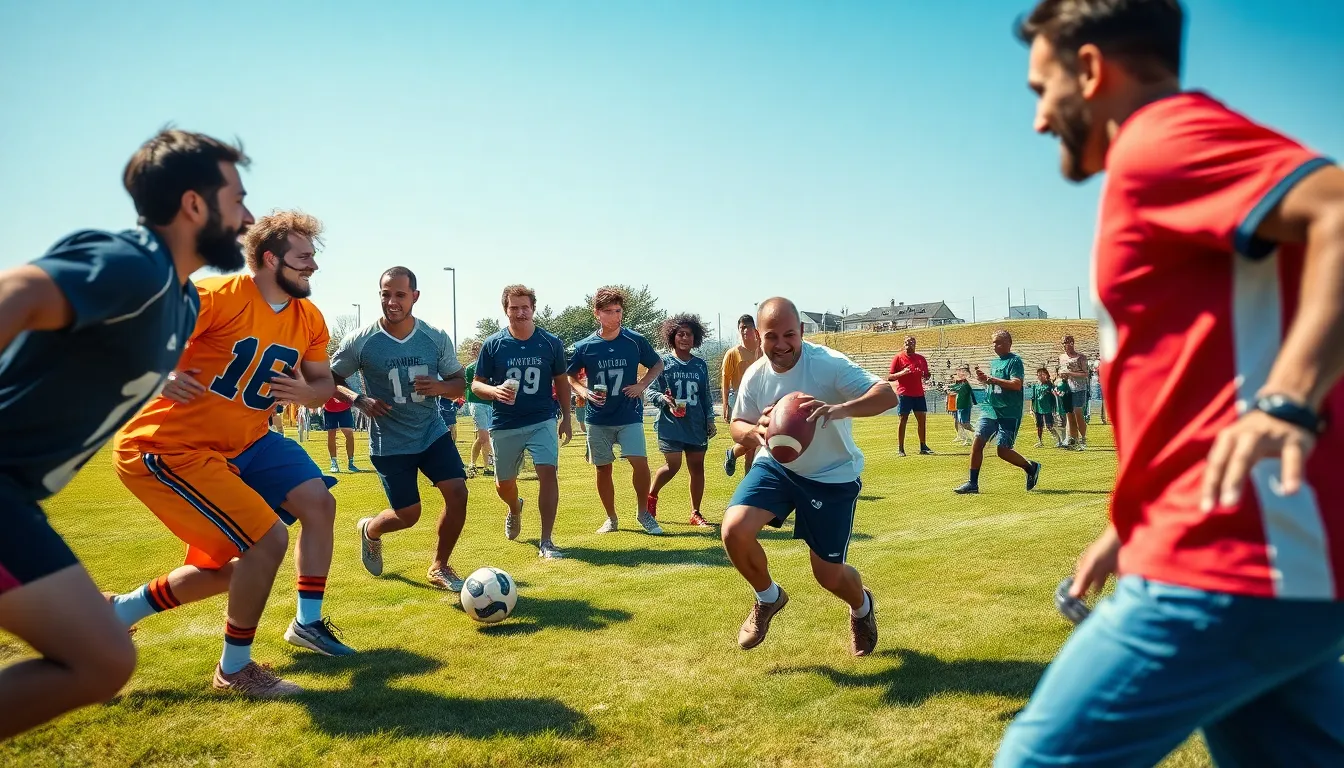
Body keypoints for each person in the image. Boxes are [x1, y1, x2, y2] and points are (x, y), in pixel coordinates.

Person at [996, 2, 1344, 766]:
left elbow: (1340, 213)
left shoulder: (1161, 139)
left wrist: (1288, 400)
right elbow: (1202, 385)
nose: (1039, 120)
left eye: (1041, 90)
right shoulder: (1162, 159)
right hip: (1263, 560)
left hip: (1231, 559)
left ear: (1090, 70)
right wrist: (1129, 528)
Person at [0, 130, 250, 738]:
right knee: (102, 659)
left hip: (19, 498)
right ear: (195, 205)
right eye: (238, 198)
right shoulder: (134, 262)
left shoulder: (181, 300)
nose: (247, 217)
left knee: (103, 659)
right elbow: (19, 291)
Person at [109, 210, 352, 699]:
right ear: (270, 258)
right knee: (260, 548)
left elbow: (324, 381)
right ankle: (234, 669)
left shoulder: (310, 318)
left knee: (315, 505)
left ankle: (120, 613)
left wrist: (308, 394)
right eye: (304, 258)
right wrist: (159, 372)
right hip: (171, 445)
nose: (314, 268)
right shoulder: (218, 297)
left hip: (245, 441)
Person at [721, 298, 897, 657]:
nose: (782, 344)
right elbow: (737, 424)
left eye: (790, 334)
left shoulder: (827, 365)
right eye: (772, 336)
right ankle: (768, 598)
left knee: (827, 575)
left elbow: (886, 394)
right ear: (758, 336)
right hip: (777, 467)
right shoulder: (755, 374)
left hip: (830, 475)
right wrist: (756, 432)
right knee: (734, 530)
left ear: (802, 331)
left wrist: (837, 409)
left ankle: (862, 607)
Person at [336, 267, 470, 592]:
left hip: (431, 431)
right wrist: (358, 399)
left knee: (458, 494)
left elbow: (458, 383)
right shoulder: (361, 341)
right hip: (390, 441)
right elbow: (332, 379)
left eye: (400, 294)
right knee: (409, 515)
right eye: (386, 294)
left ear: (415, 296)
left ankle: (440, 566)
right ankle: (371, 530)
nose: (392, 301)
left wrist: (439, 387)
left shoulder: (434, 337)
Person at [472, 284, 572, 559]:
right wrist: (494, 391)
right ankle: (515, 507)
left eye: (524, 307)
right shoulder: (493, 344)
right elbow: (476, 385)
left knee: (547, 473)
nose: (520, 312)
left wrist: (566, 416)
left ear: (533, 308)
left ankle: (547, 541)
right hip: (505, 422)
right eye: (514, 307)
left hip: (542, 418)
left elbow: (561, 382)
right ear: (505, 310)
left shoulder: (551, 342)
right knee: (504, 484)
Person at [566, 286, 665, 535]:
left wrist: (642, 384)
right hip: (597, 417)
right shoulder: (585, 346)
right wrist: (583, 391)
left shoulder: (635, 340)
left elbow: (657, 363)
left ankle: (644, 513)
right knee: (603, 468)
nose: (616, 316)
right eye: (609, 311)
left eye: (619, 310)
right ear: (597, 313)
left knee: (639, 463)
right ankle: (611, 518)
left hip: (629, 413)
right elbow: (569, 375)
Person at [646, 314, 717, 528]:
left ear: (695, 338)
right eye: (681, 334)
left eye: (689, 335)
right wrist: (662, 399)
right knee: (673, 465)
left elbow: (705, 395)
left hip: (695, 424)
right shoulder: (662, 363)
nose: (685, 338)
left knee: (697, 468)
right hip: (671, 425)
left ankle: (695, 513)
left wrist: (710, 419)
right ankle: (651, 497)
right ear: (672, 337)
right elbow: (649, 390)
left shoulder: (700, 365)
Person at [954, 331, 1042, 494]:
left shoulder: (1015, 361)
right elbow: (994, 385)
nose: (995, 345)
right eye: (993, 342)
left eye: (999, 342)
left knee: (1002, 451)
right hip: (990, 409)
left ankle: (1031, 467)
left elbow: (1016, 384)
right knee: (978, 441)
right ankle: (972, 483)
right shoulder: (994, 362)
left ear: (1009, 343)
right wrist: (984, 380)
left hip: (1009, 412)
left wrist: (991, 380)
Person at [721, 314, 763, 476]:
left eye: (748, 327)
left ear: (755, 329)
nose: (745, 330)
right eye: (742, 327)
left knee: (756, 444)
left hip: (761, 399)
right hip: (740, 399)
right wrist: (725, 406)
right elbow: (725, 382)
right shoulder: (733, 353)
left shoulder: (763, 350)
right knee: (752, 439)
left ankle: (733, 454)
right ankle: (734, 455)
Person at [887, 335, 933, 456]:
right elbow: (890, 377)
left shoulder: (921, 359)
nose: (908, 344)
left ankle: (923, 446)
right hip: (905, 393)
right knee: (903, 419)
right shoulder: (898, 357)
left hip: (919, 393)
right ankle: (901, 449)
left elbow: (926, 375)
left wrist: (927, 376)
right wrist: (903, 372)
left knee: (922, 420)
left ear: (915, 344)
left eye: (911, 342)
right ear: (903, 344)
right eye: (906, 342)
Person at [462, 341, 493, 476]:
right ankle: (485, 466)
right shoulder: (470, 368)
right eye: (475, 350)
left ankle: (477, 464)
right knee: (483, 436)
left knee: (485, 437)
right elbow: (470, 388)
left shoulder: (491, 366)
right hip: (477, 403)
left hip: (489, 404)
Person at [1059, 334, 1090, 449]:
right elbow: (1061, 371)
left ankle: (1083, 438)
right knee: (1069, 414)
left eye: (1066, 343)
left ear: (1072, 343)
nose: (1064, 345)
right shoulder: (1062, 357)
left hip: (1079, 388)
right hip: (1066, 388)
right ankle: (1072, 438)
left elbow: (1085, 374)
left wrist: (1070, 373)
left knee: (1078, 414)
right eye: (1063, 343)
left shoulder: (1081, 357)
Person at [322, 392, 358, 473]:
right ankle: (334, 463)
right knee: (331, 435)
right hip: (329, 409)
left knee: (349, 435)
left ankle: (351, 462)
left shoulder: (342, 380)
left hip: (345, 409)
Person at [1031, 367, 1064, 448]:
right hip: (1037, 408)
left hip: (1047, 408)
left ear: (1046, 375)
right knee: (1039, 425)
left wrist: (1057, 394)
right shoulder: (1036, 385)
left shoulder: (1050, 385)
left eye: (1042, 374)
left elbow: (1054, 392)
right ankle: (1040, 441)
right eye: (1039, 375)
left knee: (1049, 425)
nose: (1041, 376)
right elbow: (1033, 398)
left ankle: (1058, 440)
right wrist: (1031, 409)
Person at [950, 366, 976, 445]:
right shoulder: (962, 384)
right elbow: (955, 388)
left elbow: (957, 389)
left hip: (965, 405)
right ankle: (969, 439)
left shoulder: (966, 384)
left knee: (965, 424)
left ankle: (979, 433)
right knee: (962, 423)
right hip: (960, 406)